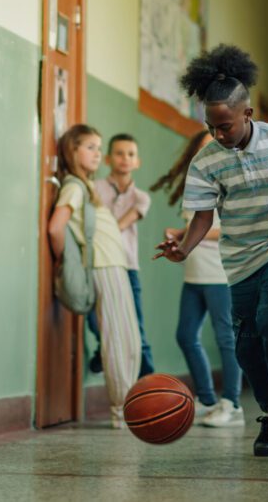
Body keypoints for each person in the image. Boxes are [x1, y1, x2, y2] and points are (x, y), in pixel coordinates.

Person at [154, 44, 268, 457]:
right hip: (239, 257)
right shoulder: (206, 161)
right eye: (211, 127)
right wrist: (184, 249)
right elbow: (202, 216)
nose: (219, 135)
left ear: (248, 114)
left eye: (225, 126)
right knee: (246, 344)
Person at [48, 124, 142, 429]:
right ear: (72, 150)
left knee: (129, 340)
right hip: (103, 266)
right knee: (116, 340)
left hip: (117, 265)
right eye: (90, 146)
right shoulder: (74, 186)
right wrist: (66, 260)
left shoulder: (86, 186)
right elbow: (55, 228)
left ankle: (129, 403)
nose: (96, 153)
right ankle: (121, 411)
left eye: (98, 148)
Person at [151, 130, 244, 428]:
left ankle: (231, 403)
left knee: (226, 338)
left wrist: (191, 233)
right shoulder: (195, 186)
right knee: (185, 335)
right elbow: (194, 226)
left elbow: (230, 228)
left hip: (219, 273)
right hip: (194, 274)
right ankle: (207, 401)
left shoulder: (231, 184)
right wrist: (178, 235)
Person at [86, 133, 155, 378]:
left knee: (135, 327)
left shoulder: (141, 198)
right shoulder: (94, 189)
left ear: (137, 162)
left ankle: (149, 384)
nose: (125, 158)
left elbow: (118, 226)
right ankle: (103, 350)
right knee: (95, 318)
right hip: (100, 265)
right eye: (119, 153)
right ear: (107, 159)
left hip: (127, 267)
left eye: (131, 154)